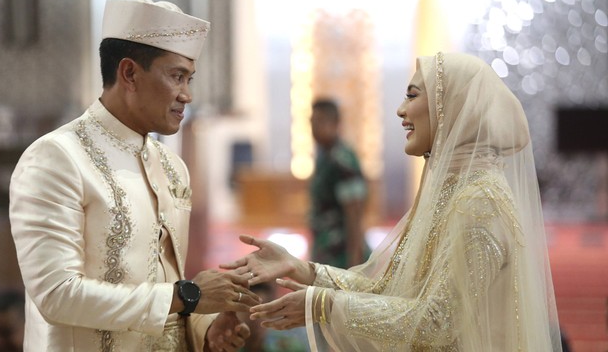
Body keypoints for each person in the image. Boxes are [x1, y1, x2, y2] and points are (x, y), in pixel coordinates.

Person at [222, 52, 563, 351]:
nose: (400, 110)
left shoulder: (480, 200)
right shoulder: (456, 190)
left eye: (412, 96)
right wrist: (304, 270)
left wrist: (322, 305)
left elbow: (437, 321)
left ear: (452, 106)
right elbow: (391, 291)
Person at [9, 0, 258, 351]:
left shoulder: (171, 167)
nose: (187, 94)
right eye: (177, 77)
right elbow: (57, 294)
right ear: (129, 73)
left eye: (189, 78)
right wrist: (189, 296)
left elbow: (168, 282)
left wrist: (205, 328)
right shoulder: (56, 158)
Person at [309, 99, 368, 268]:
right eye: (312, 122)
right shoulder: (324, 155)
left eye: (320, 121)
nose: (314, 128)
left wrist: (354, 262)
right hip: (325, 247)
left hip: (341, 253)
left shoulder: (342, 160)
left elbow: (354, 212)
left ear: (335, 123)